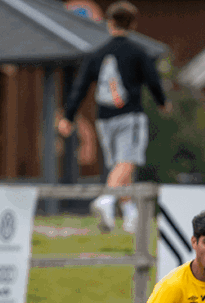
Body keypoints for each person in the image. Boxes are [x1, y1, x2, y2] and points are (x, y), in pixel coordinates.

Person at [57, 1, 171, 233]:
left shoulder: (97, 54)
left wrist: (68, 116)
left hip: (104, 119)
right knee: (127, 162)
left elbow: (80, 87)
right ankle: (106, 201)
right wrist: (162, 102)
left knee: (120, 169)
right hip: (130, 116)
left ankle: (130, 216)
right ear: (133, 24)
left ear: (109, 23)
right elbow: (153, 80)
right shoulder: (138, 52)